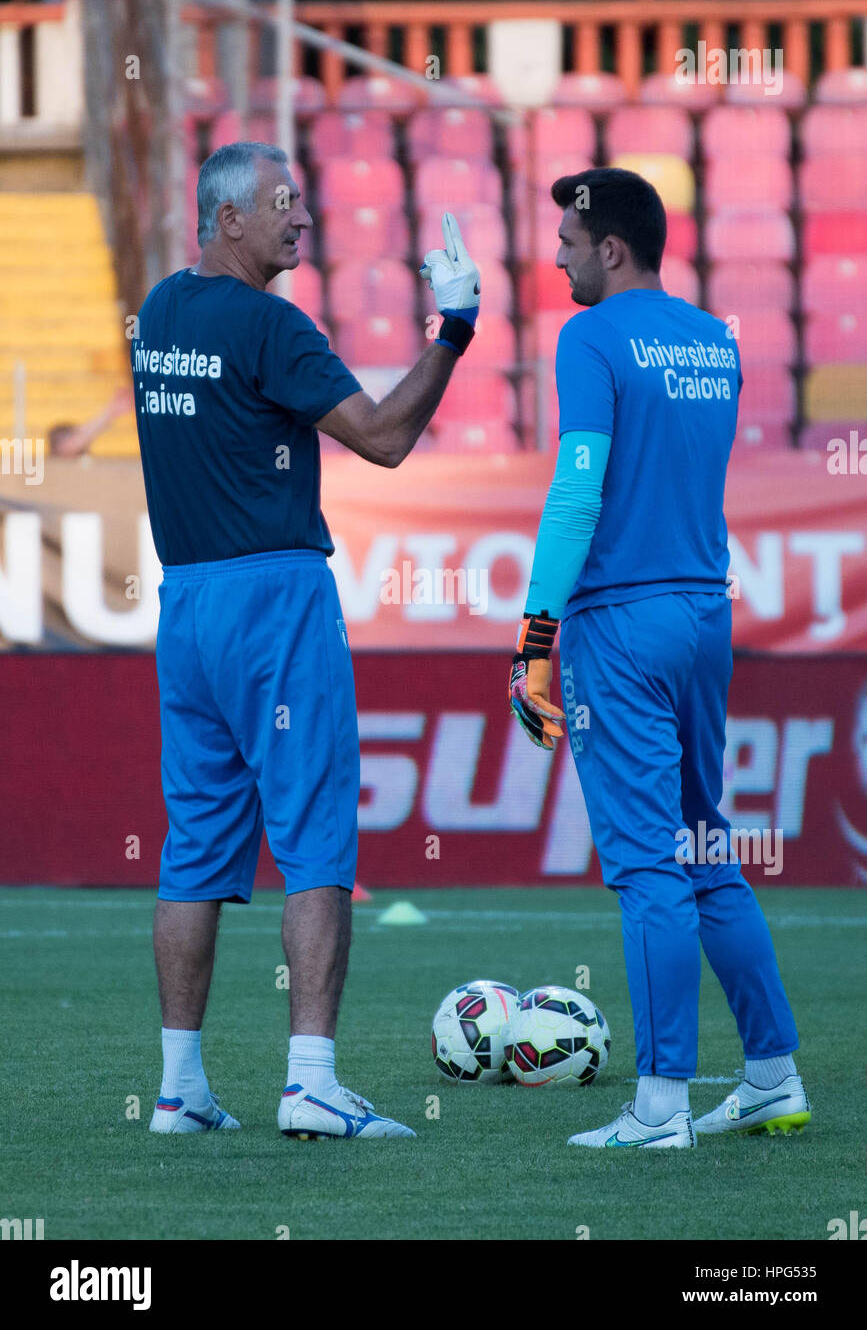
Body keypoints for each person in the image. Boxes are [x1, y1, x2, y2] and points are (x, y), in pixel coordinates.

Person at [134, 141, 480, 1139]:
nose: (303, 220)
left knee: (194, 846)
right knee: (317, 834)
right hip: (275, 596)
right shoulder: (271, 324)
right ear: (226, 216)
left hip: (187, 603)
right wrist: (452, 331)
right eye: (282, 205)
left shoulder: (160, 310)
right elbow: (383, 438)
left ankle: (178, 1089)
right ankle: (313, 1081)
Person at [508, 167, 809, 1150]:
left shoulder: (588, 337)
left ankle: (660, 1107)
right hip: (702, 612)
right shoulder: (714, 341)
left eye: (566, 238)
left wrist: (536, 635)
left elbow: (579, 491)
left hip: (622, 624)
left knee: (647, 868)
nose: (554, 253)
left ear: (612, 246)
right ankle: (771, 1075)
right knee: (705, 844)